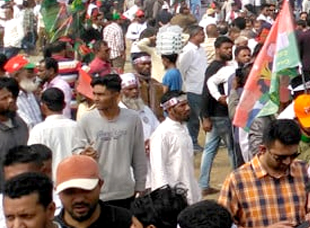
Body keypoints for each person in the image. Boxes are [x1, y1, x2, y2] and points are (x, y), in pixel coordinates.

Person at [217, 117, 307, 228]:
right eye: (280, 157)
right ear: (262, 149)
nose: (288, 162)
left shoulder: (304, 171)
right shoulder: (238, 180)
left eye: (293, 155)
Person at [78, 73, 147, 206]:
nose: (96, 99)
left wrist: (141, 185)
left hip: (125, 192)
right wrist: (83, 154)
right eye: (94, 94)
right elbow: (76, 150)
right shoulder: (86, 120)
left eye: (101, 95)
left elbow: (139, 155)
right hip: (97, 194)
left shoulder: (132, 119)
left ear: (116, 96)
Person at [199, 36, 239, 191]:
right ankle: (237, 182)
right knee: (232, 149)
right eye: (226, 48)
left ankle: (203, 184)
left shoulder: (227, 66)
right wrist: (205, 117)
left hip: (217, 115)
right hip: (220, 115)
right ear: (217, 49)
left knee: (210, 149)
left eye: (230, 48)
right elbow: (206, 93)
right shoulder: (214, 68)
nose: (229, 51)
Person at [148, 92, 201, 204]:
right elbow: (158, 169)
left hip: (189, 189)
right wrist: (165, 198)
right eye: (182, 105)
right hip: (173, 197)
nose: (187, 108)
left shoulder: (183, 128)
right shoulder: (162, 134)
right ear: (170, 109)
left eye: (187, 104)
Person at [27, 87, 83, 177]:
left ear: (43, 107)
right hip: (74, 179)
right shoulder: (76, 127)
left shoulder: (38, 130)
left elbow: (33, 160)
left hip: (49, 180)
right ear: (64, 105)